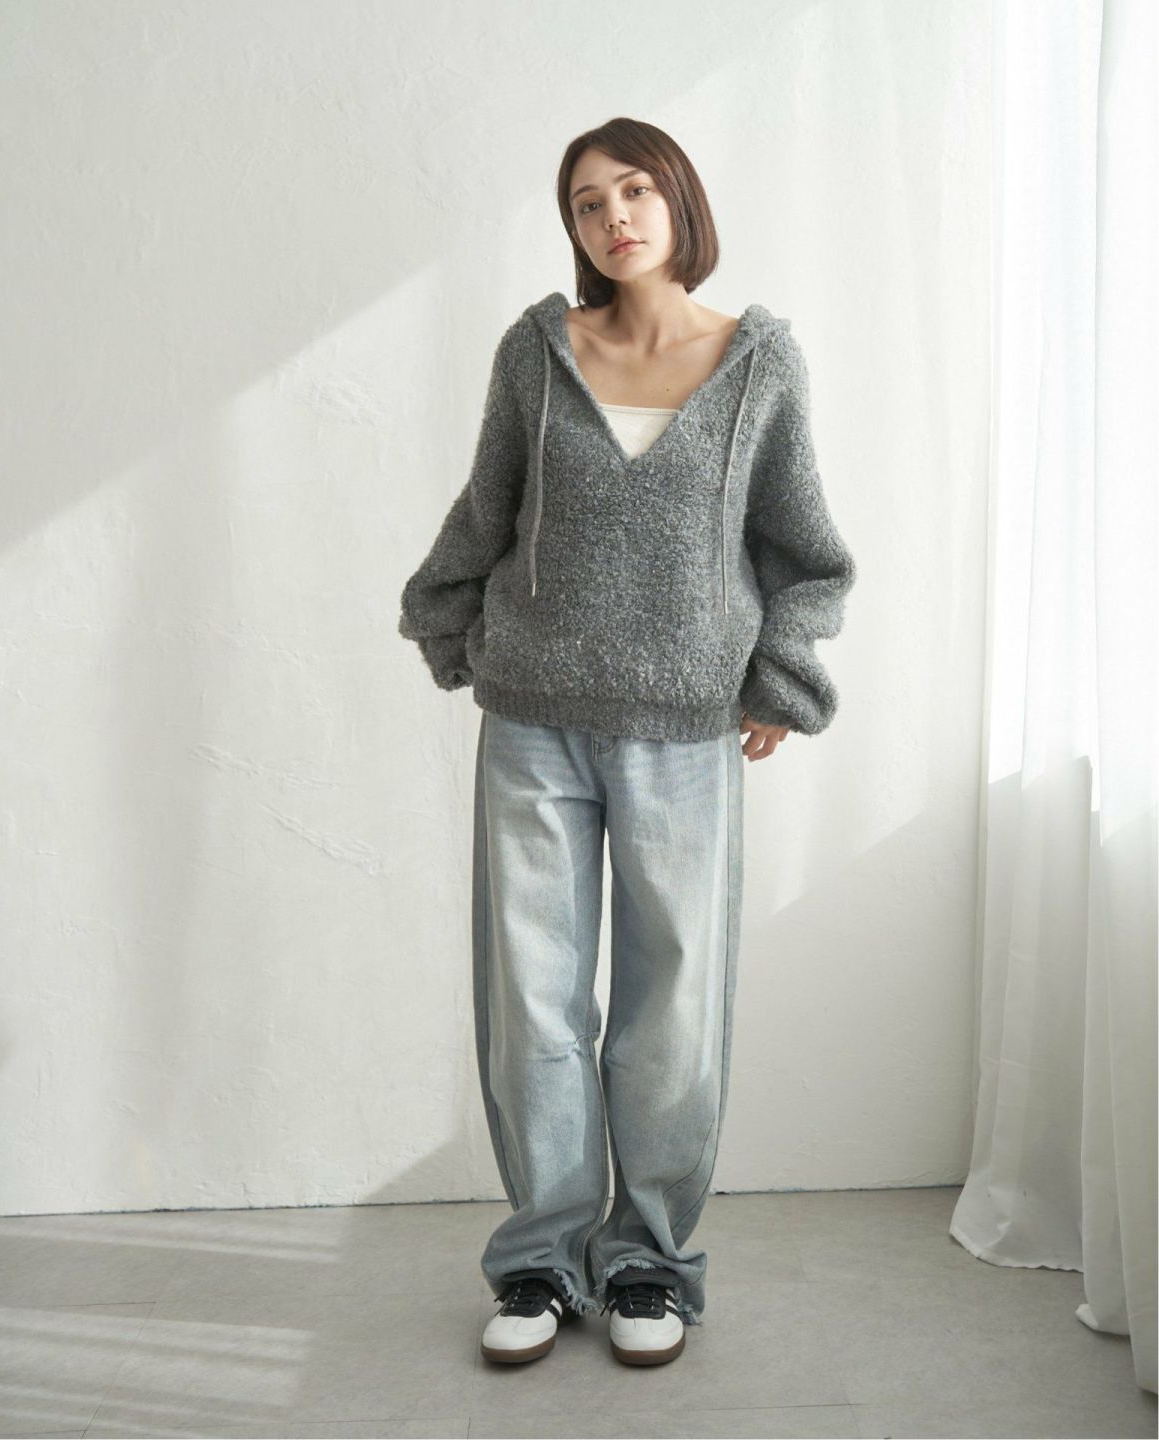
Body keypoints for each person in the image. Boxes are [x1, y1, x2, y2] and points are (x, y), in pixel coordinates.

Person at [398, 117, 857, 1367]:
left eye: (636, 191)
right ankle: (542, 1261)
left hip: (686, 727)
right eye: (589, 204)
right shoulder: (537, 350)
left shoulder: (759, 361)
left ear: (679, 201)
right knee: (532, 1002)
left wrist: (780, 677)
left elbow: (804, 548)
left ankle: (647, 1262)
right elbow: (487, 509)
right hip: (533, 718)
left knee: (673, 1006)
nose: (615, 219)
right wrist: (452, 626)